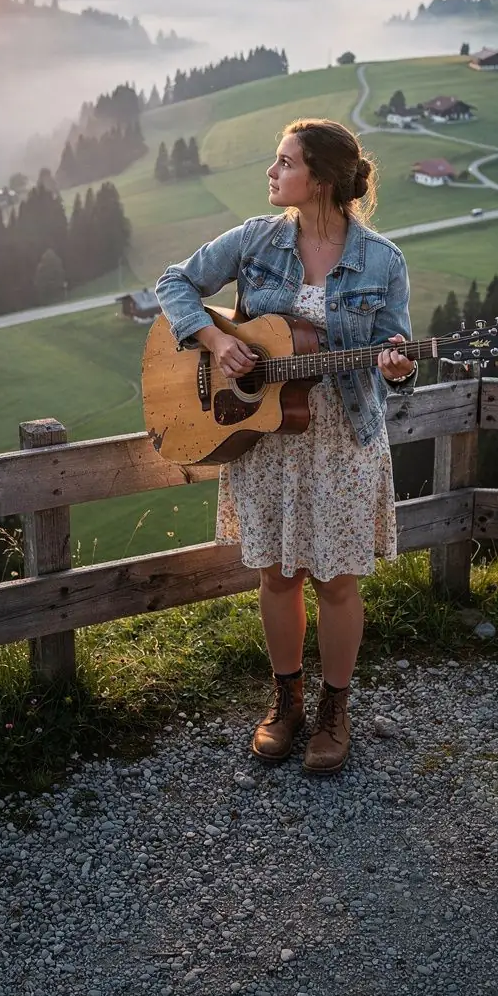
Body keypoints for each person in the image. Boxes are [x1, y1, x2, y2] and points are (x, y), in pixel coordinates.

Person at [154, 118, 416, 775]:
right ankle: (287, 702)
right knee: (277, 574)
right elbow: (173, 284)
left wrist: (397, 366)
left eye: (284, 163)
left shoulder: (383, 260)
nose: (272, 173)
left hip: (344, 438)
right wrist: (216, 342)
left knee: (336, 581)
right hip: (266, 434)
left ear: (320, 180)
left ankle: (335, 710)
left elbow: (397, 346)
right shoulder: (253, 240)